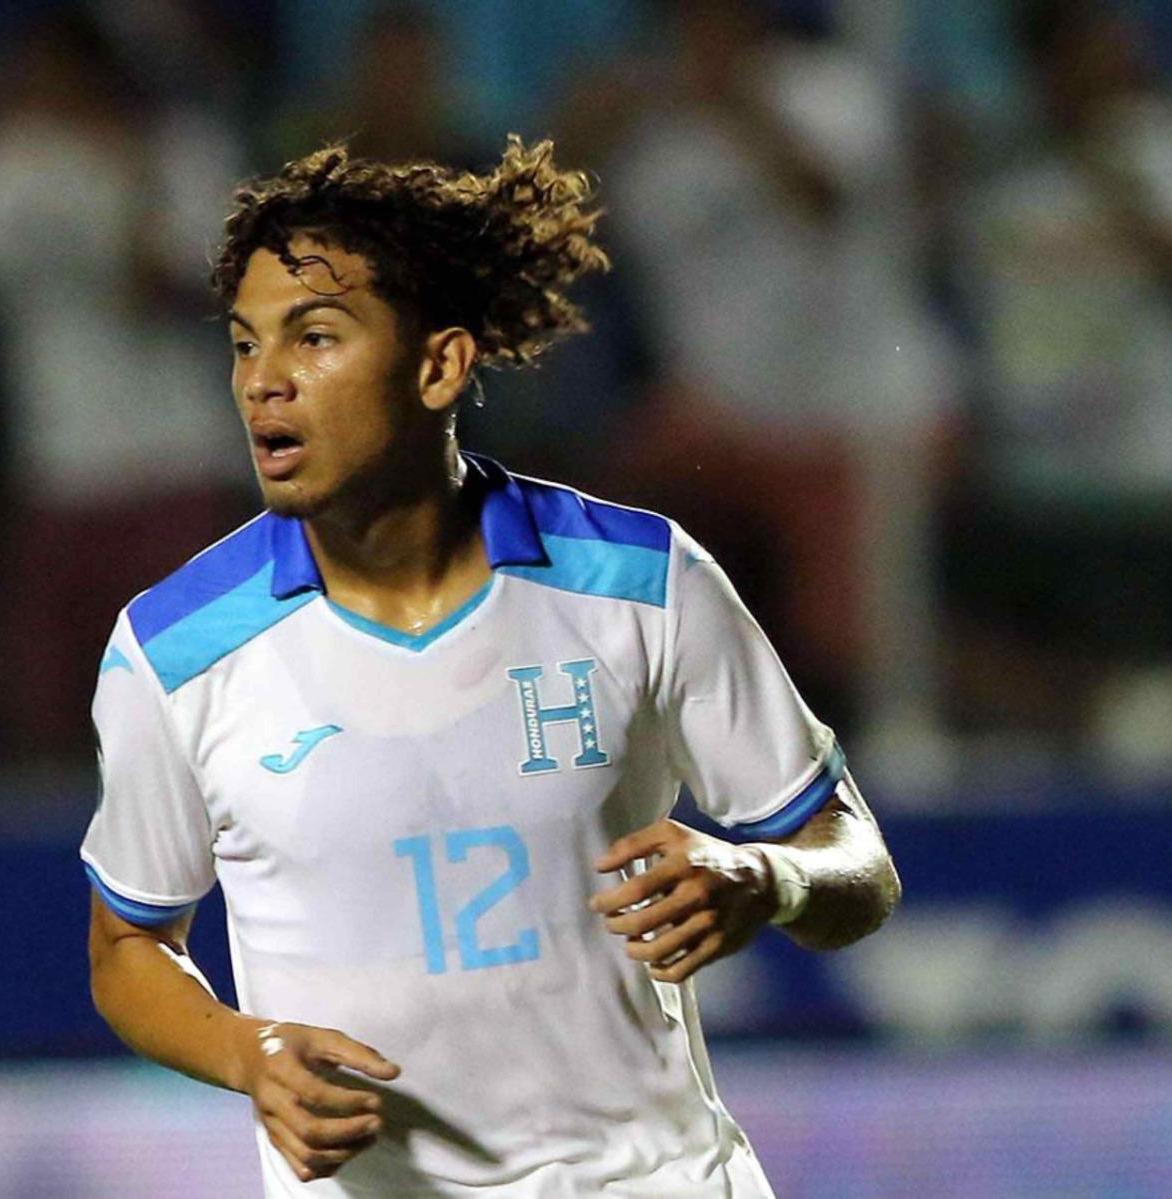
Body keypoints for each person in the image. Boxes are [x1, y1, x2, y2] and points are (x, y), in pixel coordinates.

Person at [81, 138, 901, 1197]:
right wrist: (250, 1051)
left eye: (314, 336)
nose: (263, 383)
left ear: (438, 364)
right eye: (245, 345)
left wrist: (766, 874)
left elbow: (855, 862)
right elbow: (127, 946)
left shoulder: (639, 582)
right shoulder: (174, 649)